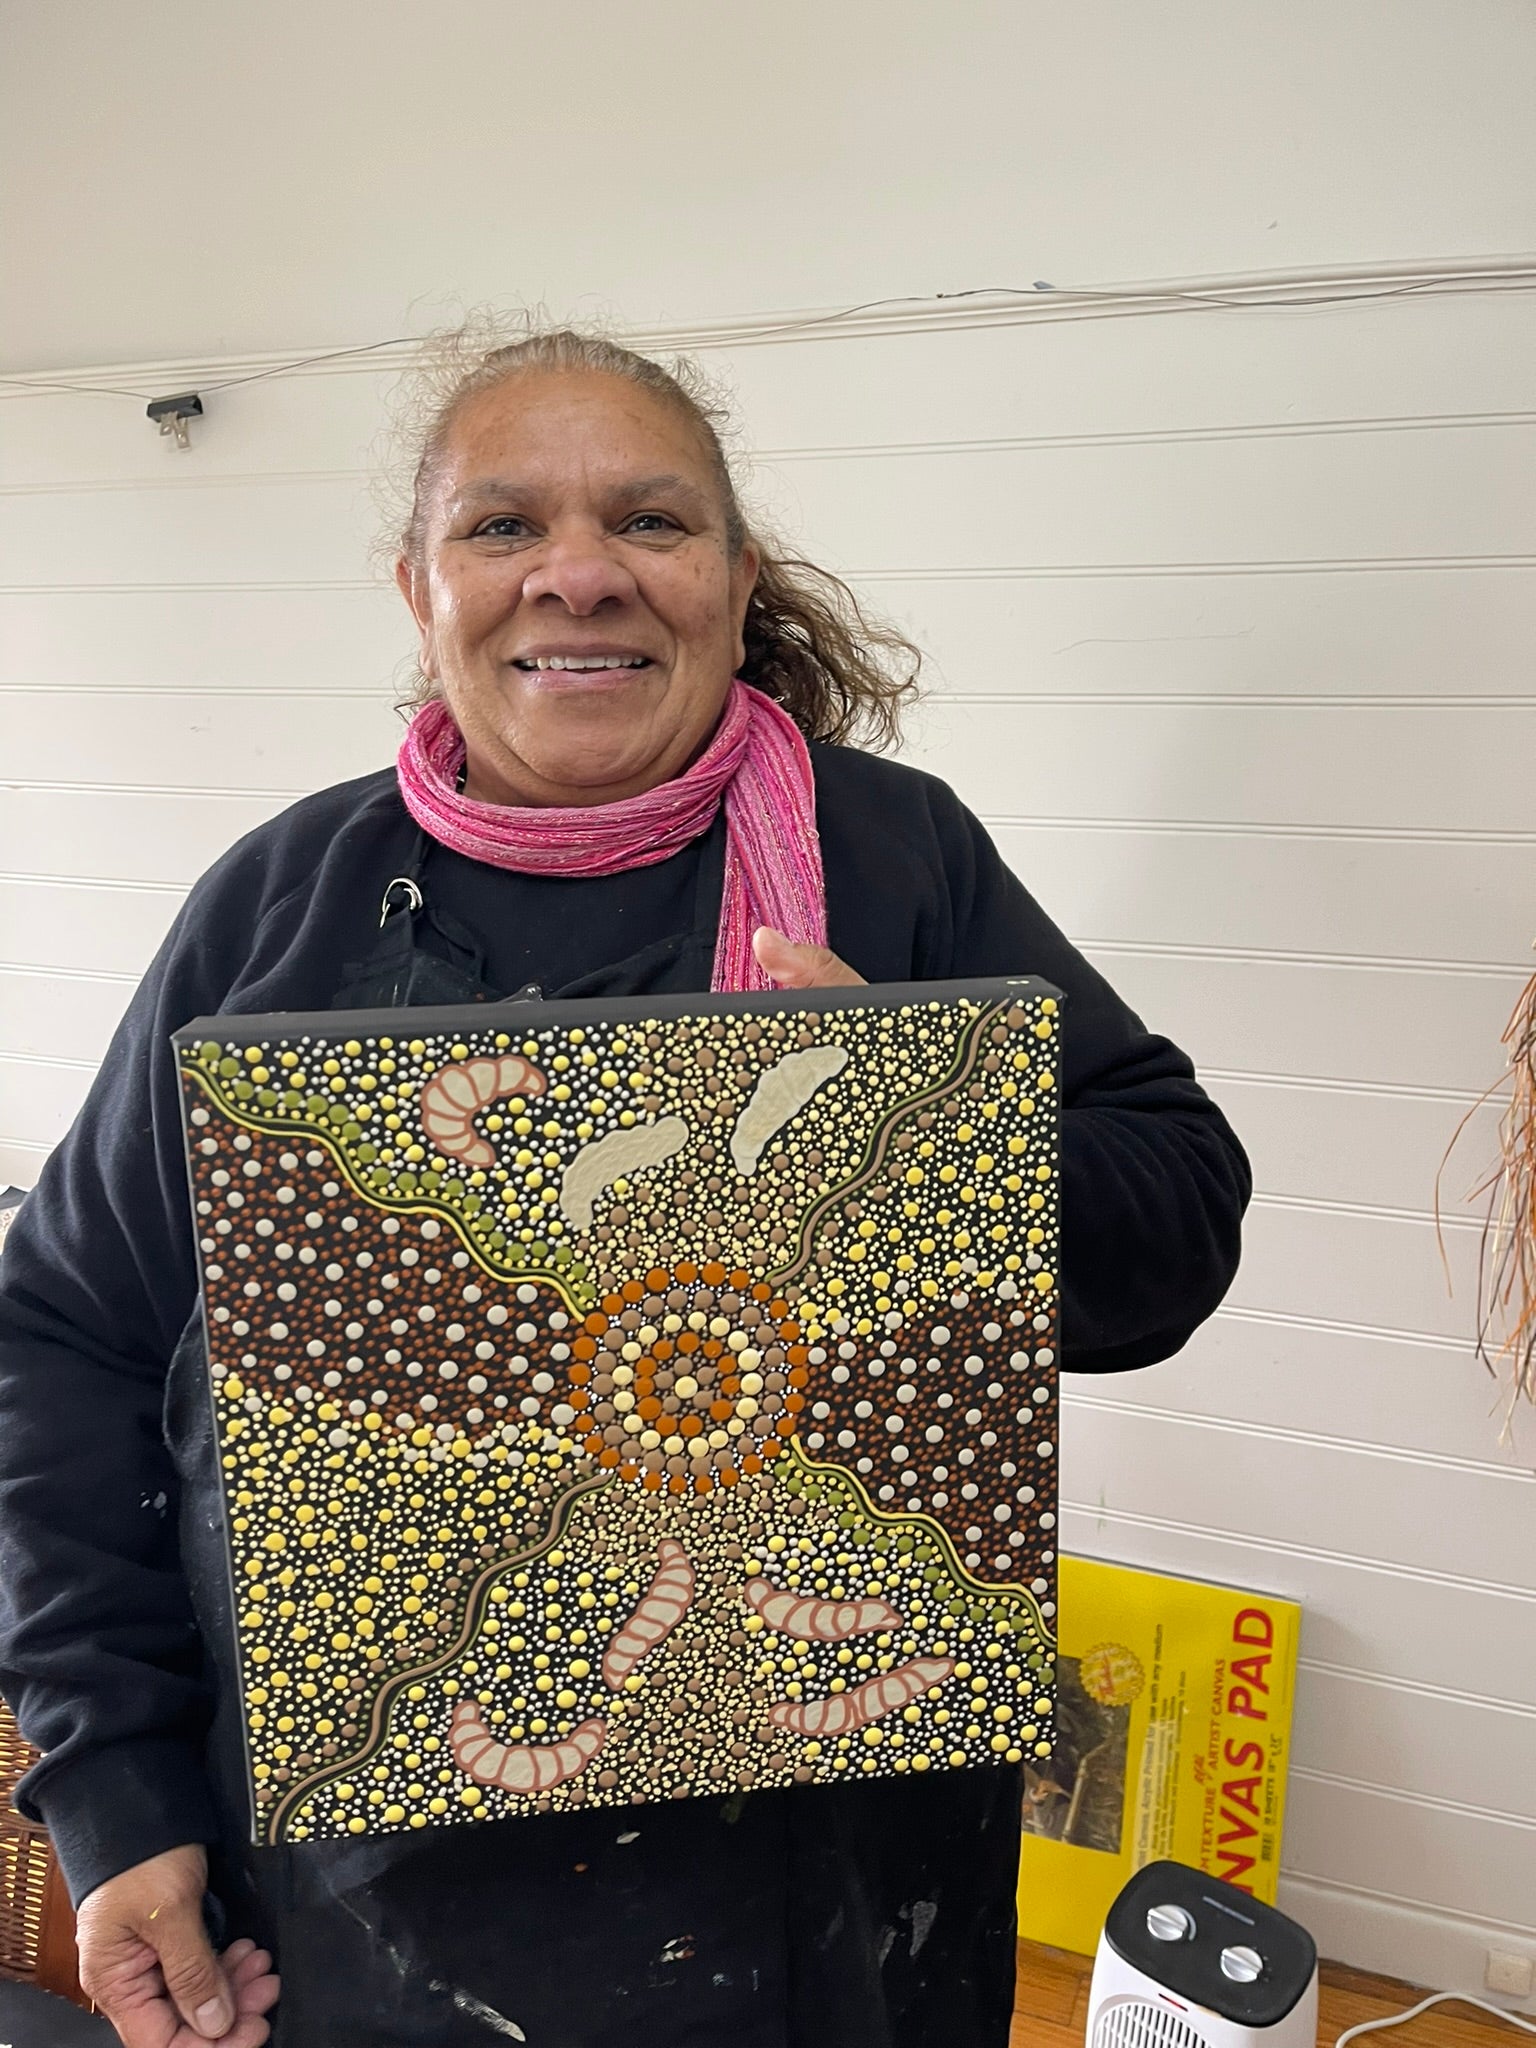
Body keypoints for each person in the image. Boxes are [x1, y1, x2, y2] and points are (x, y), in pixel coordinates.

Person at [0, 326, 1250, 2048]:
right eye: (502, 527)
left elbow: (1178, 1223)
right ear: (418, 587)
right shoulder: (279, 911)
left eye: (650, 523)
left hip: (831, 1903)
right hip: (366, 1912)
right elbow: (59, 1342)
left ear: (736, 583)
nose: (577, 575)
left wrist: (933, 1128)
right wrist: (114, 1790)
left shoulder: (898, 866)